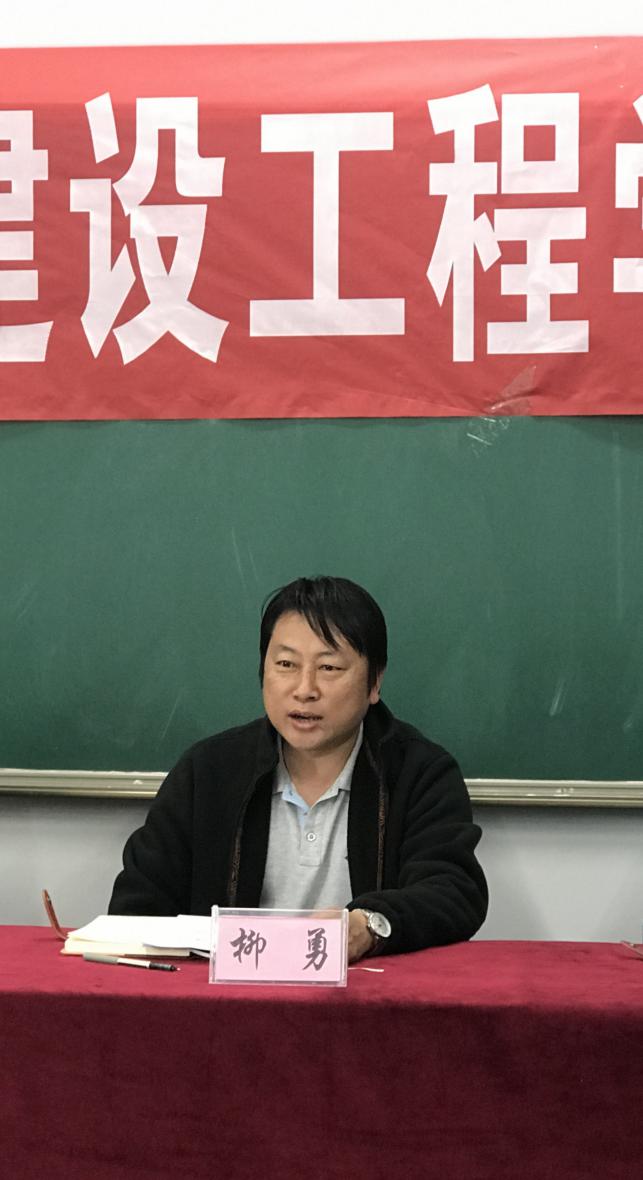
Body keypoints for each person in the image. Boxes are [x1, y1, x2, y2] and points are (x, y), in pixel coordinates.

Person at [109, 576, 487, 961]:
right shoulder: (208, 771)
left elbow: (453, 892)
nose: (305, 689)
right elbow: (136, 905)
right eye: (286, 664)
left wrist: (370, 925)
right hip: (226, 993)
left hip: (365, 993)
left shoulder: (419, 772)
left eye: (329, 667)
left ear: (375, 682)